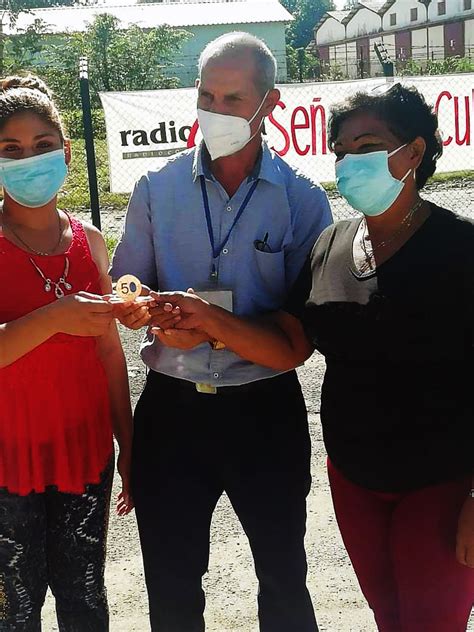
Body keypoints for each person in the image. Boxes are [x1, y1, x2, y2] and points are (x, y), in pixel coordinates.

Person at [153, 84, 474, 632]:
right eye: (342, 152)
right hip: (355, 480)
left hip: (441, 482)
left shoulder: (460, 249)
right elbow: (290, 344)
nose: (350, 163)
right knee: (389, 615)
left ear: (415, 153)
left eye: (367, 145)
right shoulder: (332, 244)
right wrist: (205, 319)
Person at [111, 32, 332, 632]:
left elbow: (295, 345)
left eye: (232, 99)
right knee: (172, 583)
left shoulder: (304, 204)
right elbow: (128, 283)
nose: (215, 111)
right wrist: (142, 310)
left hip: (263, 413)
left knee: (284, 579)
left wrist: (207, 323)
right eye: (206, 95)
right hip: (172, 412)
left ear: (271, 103)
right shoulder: (156, 188)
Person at [0, 74, 134, 631]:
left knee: (85, 599)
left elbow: (109, 354)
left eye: (42, 146)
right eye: (10, 150)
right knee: (15, 609)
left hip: (84, 452)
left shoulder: (90, 242)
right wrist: (55, 316)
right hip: (8, 458)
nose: (29, 159)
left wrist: (131, 445)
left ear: (67, 152)